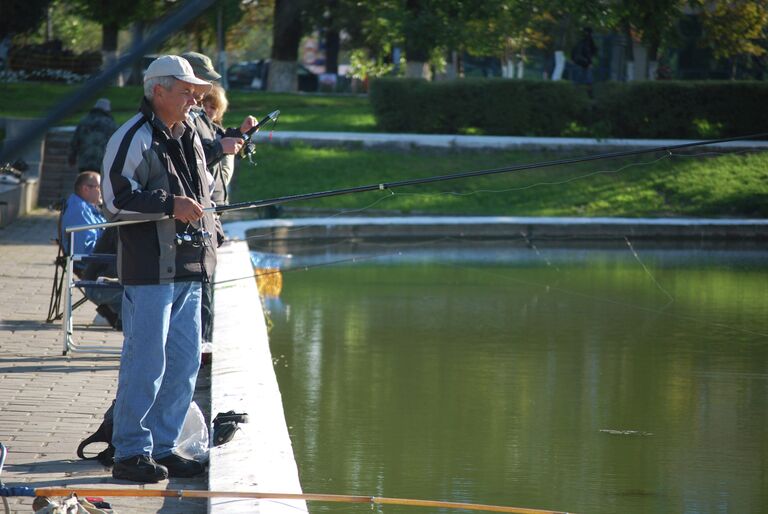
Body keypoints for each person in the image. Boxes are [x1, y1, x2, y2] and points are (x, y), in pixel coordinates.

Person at [101, 54, 218, 483]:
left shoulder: (188, 134)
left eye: (195, 92)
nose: (193, 99)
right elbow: (114, 200)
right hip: (150, 270)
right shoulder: (131, 136)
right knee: (145, 363)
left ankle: (165, 447)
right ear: (158, 91)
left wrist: (210, 230)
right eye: (186, 91)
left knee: (184, 363)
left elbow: (202, 198)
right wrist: (171, 205)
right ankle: (130, 453)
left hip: (190, 268)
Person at [181, 51, 258, 347]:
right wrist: (221, 148)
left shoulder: (197, 118)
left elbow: (213, 141)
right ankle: (198, 346)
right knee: (199, 287)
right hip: (194, 215)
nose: (202, 96)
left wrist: (240, 135)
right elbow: (196, 156)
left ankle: (200, 345)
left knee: (204, 285)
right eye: (200, 88)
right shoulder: (182, 120)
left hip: (209, 215)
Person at [59, 171, 122, 329]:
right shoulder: (78, 210)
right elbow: (84, 253)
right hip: (94, 266)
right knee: (140, 276)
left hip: (100, 261)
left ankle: (113, 313)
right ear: (86, 188)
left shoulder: (87, 207)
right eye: (99, 187)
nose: (102, 190)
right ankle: (116, 313)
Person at [68, 98, 117, 172]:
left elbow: (75, 141)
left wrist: (72, 157)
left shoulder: (84, 121)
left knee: (84, 181)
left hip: (85, 162)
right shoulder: (111, 124)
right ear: (108, 110)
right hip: (103, 163)